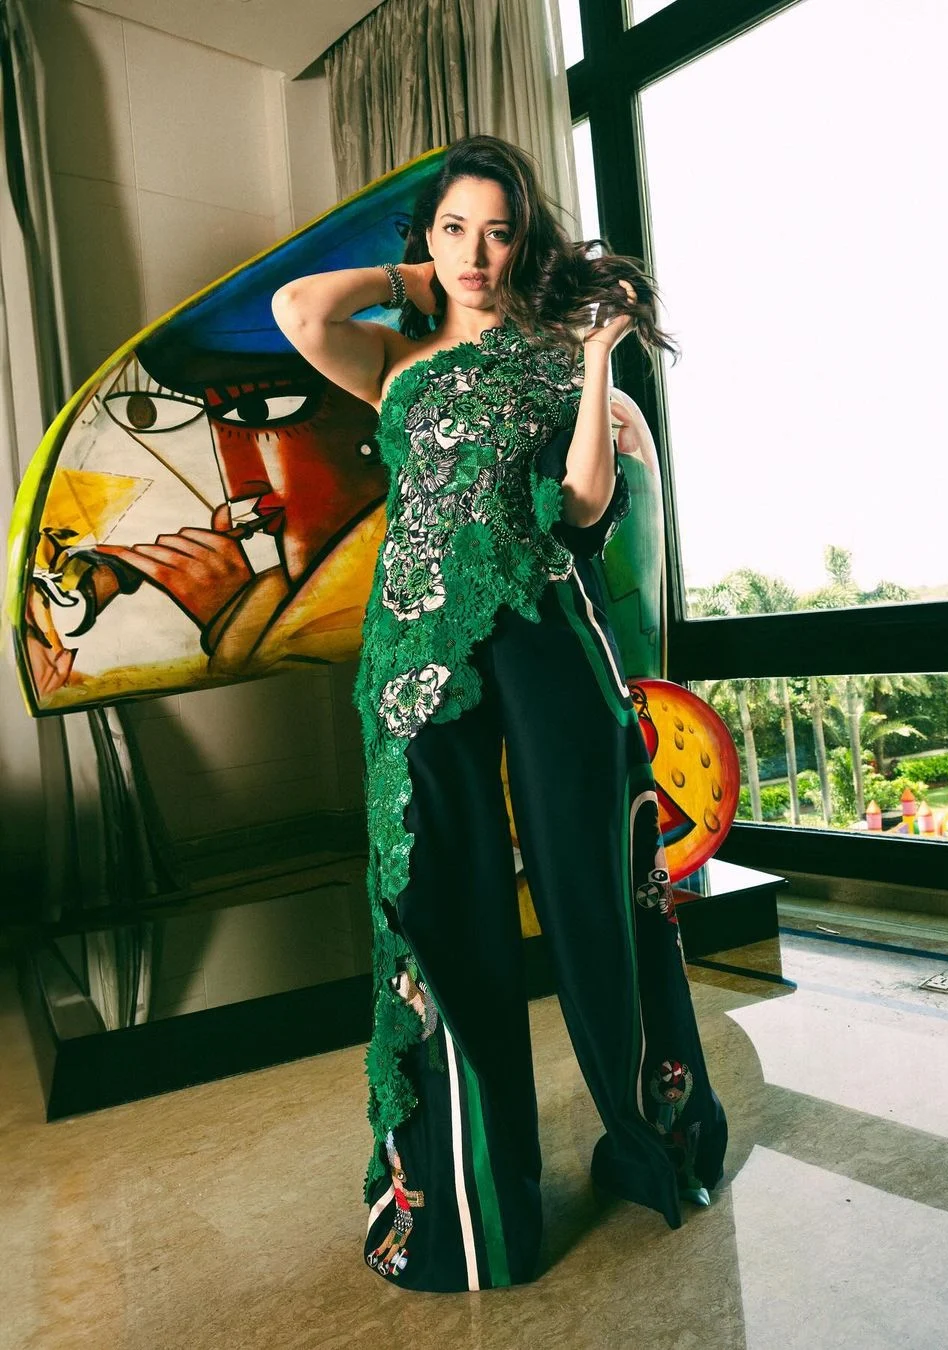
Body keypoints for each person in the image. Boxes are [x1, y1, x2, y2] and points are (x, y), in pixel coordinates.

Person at [271, 133, 728, 1293]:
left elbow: (581, 507)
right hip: (415, 653)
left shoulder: (556, 356)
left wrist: (595, 361)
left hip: (541, 628)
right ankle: (473, 1209)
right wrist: (414, 280)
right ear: (427, 237)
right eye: (454, 229)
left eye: (499, 232)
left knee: (595, 884)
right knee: (436, 902)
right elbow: (297, 309)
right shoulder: (394, 360)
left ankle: (650, 1136)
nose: (477, 254)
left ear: (526, 246)